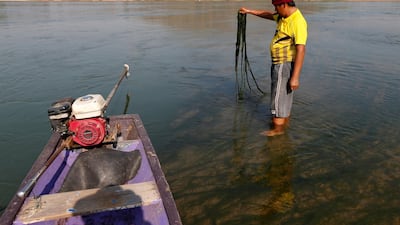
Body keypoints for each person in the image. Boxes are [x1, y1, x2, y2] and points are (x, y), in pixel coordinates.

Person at [239, 0, 307, 136]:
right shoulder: (284, 17)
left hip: (283, 65)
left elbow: (301, 49)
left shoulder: (297, 21)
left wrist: (295, 78)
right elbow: (268, 15)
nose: (275, 10)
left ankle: (277, 131)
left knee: (278, 98)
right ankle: (284, 124)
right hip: (280, 64)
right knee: (284, 97)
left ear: (284, 4)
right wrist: (250, 11)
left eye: (276, 6)